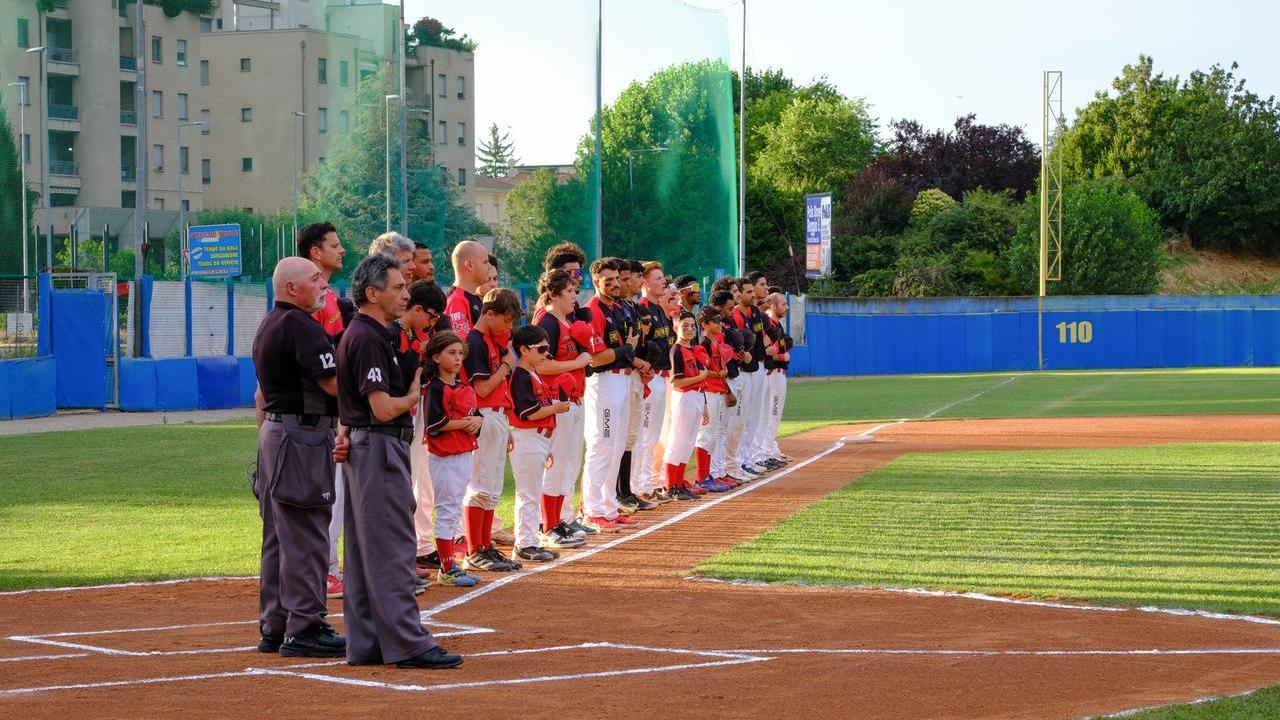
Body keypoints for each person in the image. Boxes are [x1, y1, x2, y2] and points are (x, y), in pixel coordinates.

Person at [335, 253, 463, 670]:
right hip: (378, 445)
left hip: (368, 446)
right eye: (397, 288)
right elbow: (384, 408)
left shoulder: (377, 334)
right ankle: (408, 642)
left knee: (365, 548)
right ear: (372, 294)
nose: (405, 294)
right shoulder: (369, 337)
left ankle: (367, 641)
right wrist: (412, 397)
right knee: (392, 545)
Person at [252, 257, 347, 658]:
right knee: (308, 531)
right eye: (314, 279)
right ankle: (305, 625)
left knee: (278, 533)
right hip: (302, 435)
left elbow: (260, 395)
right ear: (291, 288)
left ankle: (276, 624)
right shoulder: (300, 326)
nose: (323, 284)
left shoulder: (270, 323)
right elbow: (331, 384)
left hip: (276, 433)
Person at [296, 221, 350, 600]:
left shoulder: (328, 294)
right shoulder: (313, 299)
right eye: (334, 244)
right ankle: (324, 569)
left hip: (330, 410)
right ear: (315, 252)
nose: (341, 249)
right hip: (316, 410)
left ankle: (329, 566)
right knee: (326, 493)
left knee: (337, 493)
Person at [461, 288, 524, 572]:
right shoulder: (475, 342)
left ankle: (486, 545)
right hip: (483, 415)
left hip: (497, 416)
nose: (508, 327)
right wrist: (508, 366)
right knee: (481, 485)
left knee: (493, 486)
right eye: (506, 321)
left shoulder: (490, 340)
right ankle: (474, 549)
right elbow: (482, 388)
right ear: (489, 314)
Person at [533, 269, 596, 543]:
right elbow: (542, 364)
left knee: (569, 464)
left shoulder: (567, 321)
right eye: (570, 291)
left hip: (574, 400)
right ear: (554, 294)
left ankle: (558, 520)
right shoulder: (548, 322)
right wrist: (577, 363)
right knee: (557, 464)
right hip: (556, 401)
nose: (575, 296)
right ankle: (548, 525)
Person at [581, 258, 641, 532]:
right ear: (595, 282)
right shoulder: (592, 310)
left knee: (616, 447)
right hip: (604, 382)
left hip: (623, 380)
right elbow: (595, 359)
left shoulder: (618, 308)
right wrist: (626, 351)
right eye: (608, 280)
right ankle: (591, 509)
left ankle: (608, 506)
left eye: (617, 279)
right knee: (601, 445)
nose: (615, 284)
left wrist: (627, 353)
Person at [396, 280, 448, 585]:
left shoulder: (416, 335)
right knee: (402, 488)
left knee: (415, 484)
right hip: (397, 417)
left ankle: (412, 552)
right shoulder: (397, 334)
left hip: (413, 414)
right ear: (416, 309)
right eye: (431, 316)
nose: (433, 323)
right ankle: (401, 559)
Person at [507, 324, 573, 562]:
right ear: (524, 350)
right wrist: (556, 407)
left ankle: (530, 540)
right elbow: (527, 412)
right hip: (528, 437)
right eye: (542, 348)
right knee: (528, 493)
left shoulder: (532, 373)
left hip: (538, 439)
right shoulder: (521, 376)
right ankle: (525, 543)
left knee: (531, 491)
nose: (547, 353)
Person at [422, 330, 482, 588]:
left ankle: (450, 564)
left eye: (460, 353)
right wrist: (463, 423)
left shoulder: (462, 386)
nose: (458, 358)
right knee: (447, 510)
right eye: (451, 353)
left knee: (454, 509)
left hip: (464, 453)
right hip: (445, 457)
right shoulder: (435, 388)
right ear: (436, 357)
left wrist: (478, 420)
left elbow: (476, 416)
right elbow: (434, 423)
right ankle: (446, 568)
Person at [632, 261, 674, 506]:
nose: (664, 282)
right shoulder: (642, 309)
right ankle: (640, 486)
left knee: (654, 435)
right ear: (645, 283)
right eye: (658, 278)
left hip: (660, 377)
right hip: (647, 377)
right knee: (644, 436)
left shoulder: (659, 310)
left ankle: (649, 483)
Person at [615, 259, 655, 513]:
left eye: (633, 277)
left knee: (630, 437)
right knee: (616, 439)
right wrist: (638, 360)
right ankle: (617, 495)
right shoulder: (617, 307)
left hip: (635, 374)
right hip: (621, 374)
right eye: (628, 278)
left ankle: (626, 491)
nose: (633, 282)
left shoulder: (630, 306)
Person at [662, 311, 709, 499]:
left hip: (696, 396)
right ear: (675, 328)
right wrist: (700, 377)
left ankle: (679, 483)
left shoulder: (693, 349)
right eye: (685, 326)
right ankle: (671, 485)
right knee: (678, 441)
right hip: (684, 397)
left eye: (692, 325)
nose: (690, 329)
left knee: (688, 442)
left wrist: (704, 404)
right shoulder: (677, 350)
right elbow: (676, 382)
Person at [730, 275, 770, 477]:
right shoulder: (738, 314)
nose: (753, 295)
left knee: (753, 416)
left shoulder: (754, 312)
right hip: (746, 370)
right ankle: (739, 461)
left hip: (758, 366)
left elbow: (762, 339)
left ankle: (747, 458)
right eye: (749, 291)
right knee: (742, 418)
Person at [694, 307, 736, 493]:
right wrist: (718, 372)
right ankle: (702, 478)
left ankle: (710, 474)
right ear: (704, 324)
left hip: (717, 389)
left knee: (715, 434)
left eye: (720, 320)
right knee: (706, 435)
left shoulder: (714, 342)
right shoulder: (703, 342)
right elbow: (703, 368)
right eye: (715, 321)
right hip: (709, 390)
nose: (720, 324)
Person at [761, 291, 793, 464]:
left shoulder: (777, 325)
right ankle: (766, 452)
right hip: (772, 374)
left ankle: (770, 448)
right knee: (770, 414)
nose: (786, 307)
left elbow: (783, 346)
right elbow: (770, 352)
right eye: (783, 304)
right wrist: (781, 356)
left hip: (778, 374)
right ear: (773, 306)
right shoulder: (768, 324)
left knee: (774, 414)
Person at [445, 240, 492, 337]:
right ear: (469, 265)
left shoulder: (473, 297)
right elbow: (463, 345)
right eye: (485, 262)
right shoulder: (457, 300)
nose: (489, 267)